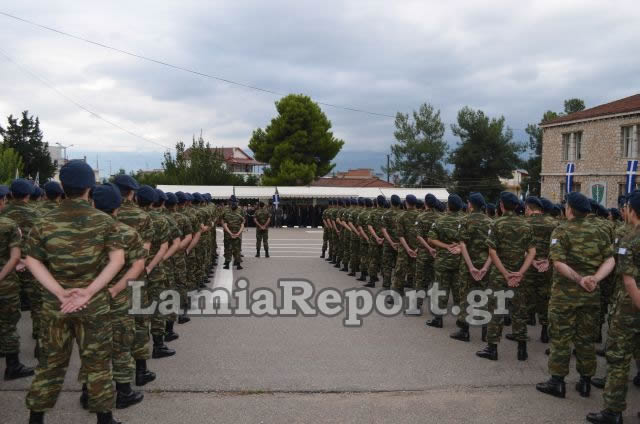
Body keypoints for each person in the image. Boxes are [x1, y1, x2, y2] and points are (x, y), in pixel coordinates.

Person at [24, 160, 125, 424]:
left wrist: (59, 292)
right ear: (90, 188)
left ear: (62, 187)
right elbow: (118, 260)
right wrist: (89, 291)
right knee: (98, 364)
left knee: (49, 364)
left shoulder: (44, 222)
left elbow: (32, 260)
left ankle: (36, 419)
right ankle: (105, 419)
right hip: (94, 306)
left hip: (56, 306)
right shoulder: (105, 222)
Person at [536, 191, 614, 399]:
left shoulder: (561, 231)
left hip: (565, 296)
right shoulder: (601, 231)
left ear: (569, 208)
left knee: (561, 338)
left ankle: (557, 382)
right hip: (590, 296)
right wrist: (595, 279)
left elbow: (559, 263)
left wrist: (579, 280)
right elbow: (611, 260)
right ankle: (585, 383)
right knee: (586, 340)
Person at [78, 183, 145, 410]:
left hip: (87, 300)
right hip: (117, 299)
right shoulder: (127, 232)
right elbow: (138, 265)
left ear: (93, 203)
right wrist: (116, 289)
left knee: (91, 347)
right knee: (121, 344)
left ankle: (88, 393)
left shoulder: (81, 231)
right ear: (119, 206)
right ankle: (123, 392)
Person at [586, 192, 640, 423]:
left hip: (630, 306)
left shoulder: (631, 238)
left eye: (626, 207)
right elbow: (613, 262)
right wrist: (596, 278)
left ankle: (613, 411)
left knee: (618, 360)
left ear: (632, 210)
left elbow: (628, 280)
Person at [476, 191, 536, 361]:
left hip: (499, 275)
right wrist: (521, 272)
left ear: (501, 205)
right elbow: (532, 252)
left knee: (496, 310)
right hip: (519, 274)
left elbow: (492, 251)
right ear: (517, 206)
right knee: (519, 310)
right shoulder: (526, 225)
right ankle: (522, 350)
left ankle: (492, 348)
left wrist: (504, 273)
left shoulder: (497, 224)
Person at [2, 179, 42, 353]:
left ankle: (5, 345)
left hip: (7, 265)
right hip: (30, 264)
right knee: (38, 305)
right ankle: (40, 342)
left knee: (6, 309)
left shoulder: (4, 214)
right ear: (28, 195)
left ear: (10, 195)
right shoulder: (36, 215)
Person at [0, 184, 35, 380]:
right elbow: (14, 257)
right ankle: (12, 366)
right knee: (8, 323)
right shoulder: (8, 225)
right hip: (5, 282)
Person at [452, 192, 492, 342]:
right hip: (485, 264)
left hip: (468, 264)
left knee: (465, 296)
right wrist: (485, 268)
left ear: (470, 204)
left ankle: (464, 330)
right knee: (485, 296)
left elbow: (462, 245)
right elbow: (492, 249)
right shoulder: (490, 222)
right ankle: (485, 331)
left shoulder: (465, 221)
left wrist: (470, 267)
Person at [426, 194, 465, 328]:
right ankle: (461, 320)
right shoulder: (465, 221)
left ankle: (438, 319)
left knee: (441, 289)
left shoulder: (440, 221)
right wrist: (459, 246)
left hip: (443, 260)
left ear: (449, 205)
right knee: (459, 290)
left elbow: (430, 239)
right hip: (460, 260)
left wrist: (445, 246)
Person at [222, 196, 244, 269]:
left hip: (233, 232)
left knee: (235, 248)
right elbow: (222, 219)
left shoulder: (240, 209)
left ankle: (235, 262)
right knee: (230, 248)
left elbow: (243, 221)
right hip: (231, 232)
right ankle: (230, 262)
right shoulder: (225, 209)